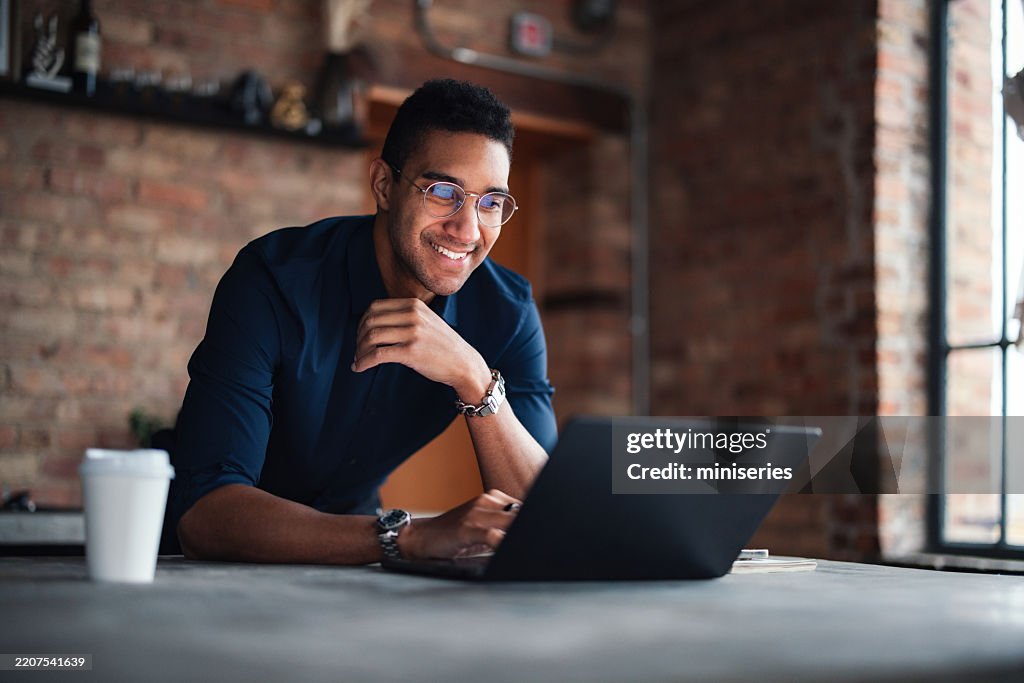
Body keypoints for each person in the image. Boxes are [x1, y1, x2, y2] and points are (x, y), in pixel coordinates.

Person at [166, 79, 557, 564]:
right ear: (384, 185)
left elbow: (548, 518)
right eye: (443, 192)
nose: (467, 229)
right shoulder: (274, 279)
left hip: (356, 562)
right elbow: (204, 514)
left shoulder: (508, 310)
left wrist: (475, 379)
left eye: (490, 202)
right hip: (210, 565)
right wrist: (407, 536)